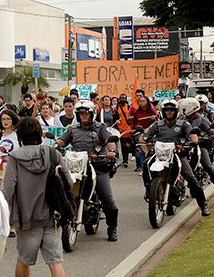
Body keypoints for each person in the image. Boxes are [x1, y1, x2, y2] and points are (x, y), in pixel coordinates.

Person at [0, 116, 71, 277]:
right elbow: (68, 179)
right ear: (40, 134)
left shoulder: (14, 157)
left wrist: (3, 220)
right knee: (56, 263)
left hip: (26, 219)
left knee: (24, 259)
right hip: (50, 217)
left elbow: (8, 190)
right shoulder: (51, 153)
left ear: (19, 136)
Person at [56, 100, 120, 242]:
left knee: (107, 198)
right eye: (80, 114)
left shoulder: (100, 127)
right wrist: (56, 144)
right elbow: (62, 140)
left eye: (86, 113)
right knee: (63, 190)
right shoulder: (73, 129)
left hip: (98, 165)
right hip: (77, 167)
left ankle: (112, 228)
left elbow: (109, 139)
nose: (83, 116)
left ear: (92, 114)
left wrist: (111, 150)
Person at [141, 99, 210, 216]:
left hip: (178, 154)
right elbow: (143, 138)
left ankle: (203, 205)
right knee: (146, 164)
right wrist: (146, 149)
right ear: (162, 112)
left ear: (176, 111)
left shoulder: (183, 124)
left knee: (190, 177)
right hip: (160, 155)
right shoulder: (157, 124)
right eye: (166, 110)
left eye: (171, 110)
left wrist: (193, 141)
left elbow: (192, 134)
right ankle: (149, 190)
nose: (169, 112)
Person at [180, 98, 214, 197]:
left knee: (207, 165)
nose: (183, 111)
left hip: (199, 145)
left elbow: (211, 131)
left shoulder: (202, 119)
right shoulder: (182, 119)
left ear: (190, 108)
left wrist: (212, 136)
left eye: (184, 109)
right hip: (185, 145)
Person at [129, 94, 157, 172]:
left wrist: (153, 119)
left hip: (149, 133)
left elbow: (156, 123)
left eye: (143, 101)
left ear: (147, 102)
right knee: (139, 150)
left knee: (150, 149)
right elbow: (134, 123)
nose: (141, 103)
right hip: (138, 133)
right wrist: (133, 130)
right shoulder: (137, 112)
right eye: (140, 101)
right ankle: (141, 167)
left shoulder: (152, 111)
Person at [0, 110, 20, 175]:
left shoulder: (18, 135)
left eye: (8, 119)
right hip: (3, 167)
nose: (5, 121)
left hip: (17, 166)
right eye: (3, 119)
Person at [114, 94, 134, 168]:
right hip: (119, 129)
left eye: (124, 98)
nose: (123, 99)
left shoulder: (129, 107)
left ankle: (126, 159)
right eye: (121, 98)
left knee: (127, 146)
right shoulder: (116, 107)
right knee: (123, 146)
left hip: (128, 129)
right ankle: (125, 161)